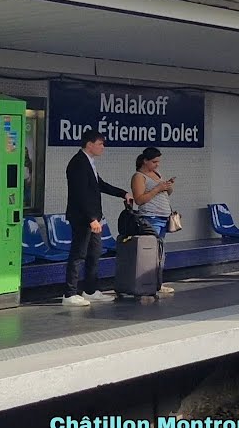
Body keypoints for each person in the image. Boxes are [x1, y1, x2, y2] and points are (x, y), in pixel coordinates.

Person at [64, 130, 131, 307]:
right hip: (82, 217)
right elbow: (81, 194)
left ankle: (91, 290)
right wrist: (91, 218)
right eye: (101, 143)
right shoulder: (78, 163)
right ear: (89, 144)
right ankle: (69, 293)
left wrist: (122, 193)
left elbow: (99, 185)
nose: (103, 147)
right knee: (78, 254)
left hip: (93, 217)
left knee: (94, 253)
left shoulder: (89, 162)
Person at [131, 147, 176, 295]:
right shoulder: (139, 176)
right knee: (151, 252)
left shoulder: (157, 174)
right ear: (145, 161)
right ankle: (147, 282)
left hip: (164, 217)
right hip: (151, 217)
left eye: (158, 162)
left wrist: (167, 187)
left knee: (160, 252)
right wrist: (158, 188)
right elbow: (139, 200)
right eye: (154, 162)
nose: (157, 165)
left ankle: (157, 283)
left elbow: (166, 194)